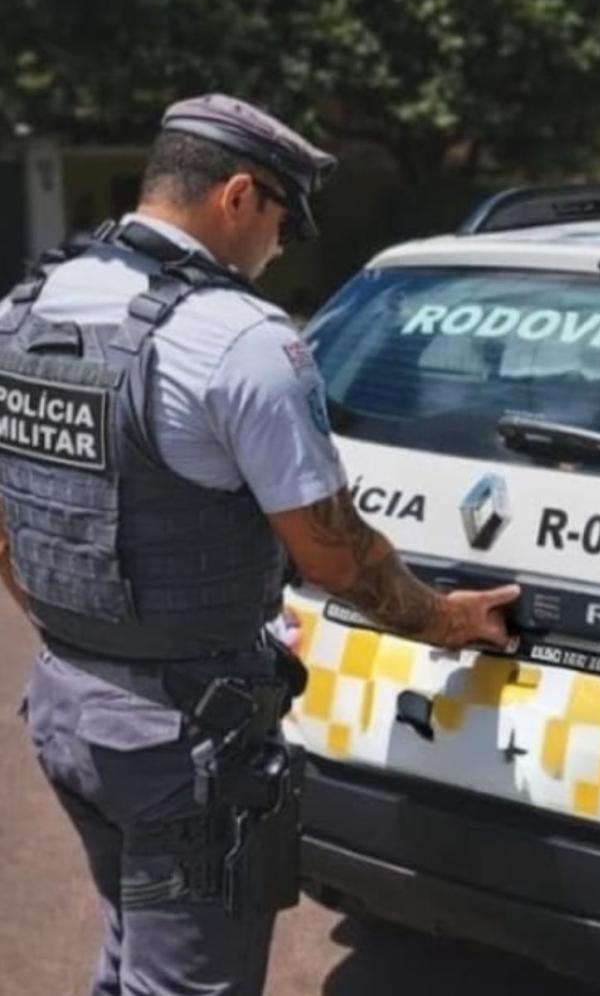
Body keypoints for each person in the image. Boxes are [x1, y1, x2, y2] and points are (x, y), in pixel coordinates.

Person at [0, 94, 519, 996]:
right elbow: (334, 554)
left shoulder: (26, 308)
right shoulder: (238, 341)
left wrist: (84, 638)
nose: (280, 249)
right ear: (238, 196)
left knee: (131, 947)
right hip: (179, 744)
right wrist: (446, 620)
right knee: (184, 979)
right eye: (282, 220)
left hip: (65, 707)